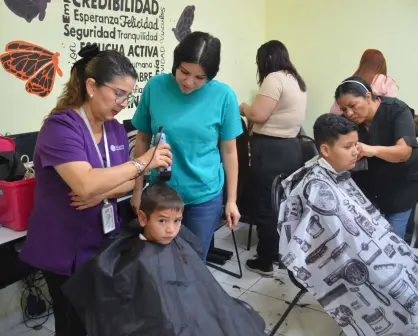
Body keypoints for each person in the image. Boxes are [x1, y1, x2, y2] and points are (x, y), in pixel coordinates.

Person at [19, 44, 172, 336]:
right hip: (64, 247)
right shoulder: (60, 127)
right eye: (118, 93)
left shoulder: (113, 128)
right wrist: (141, 162)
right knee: (74, 322)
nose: (123, 103)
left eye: (128, 96)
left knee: (101, 319)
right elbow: (86, 182)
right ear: (91, 85)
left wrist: (103, 191)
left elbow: (125, 182)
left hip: (102, 242)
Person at [61, 182, 266, 336]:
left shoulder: (179, 243)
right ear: (142, 218)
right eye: (162, 221)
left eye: (177, 221)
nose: (171, 229)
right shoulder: (132, 258)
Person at [278, 114, 418, 336]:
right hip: (348, 259)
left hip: (365, 250)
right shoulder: (316, 186)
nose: (357, 151)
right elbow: (337, 240)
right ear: (325, 150)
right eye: (348, 146)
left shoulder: (333, 173)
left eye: (356, 144)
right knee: (408, 296)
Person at [130, 31, 243, 261]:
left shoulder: (223, 96)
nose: (189, 82)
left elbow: (229, 152)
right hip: (161, 193)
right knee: (159, 261)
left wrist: (231, 200)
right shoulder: (156, 87)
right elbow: (142, 139)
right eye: (184, 72)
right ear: (175, 63)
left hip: (204, 195)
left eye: (200, 77)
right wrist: (136, 189)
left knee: (192, 263)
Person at [239, 40, 307, 276]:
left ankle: (265, 259)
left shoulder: (274, 78)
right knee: (282, 205)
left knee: (266, 204)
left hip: (270, 150)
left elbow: (258, 114)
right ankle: (282, 253)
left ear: (266, 59)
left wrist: (244, 107)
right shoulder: (296, 80)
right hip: (292, 148)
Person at [335, 76, 418, 238]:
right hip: (367, 191)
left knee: (393, 244)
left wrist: (371, 150)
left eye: (353, 106)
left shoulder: (397, 111)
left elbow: (404, 153)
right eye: (344, 109)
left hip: (399, 189)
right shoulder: (347, 122)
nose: (349, 113)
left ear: (367, 97)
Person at [330, 49, 398, 114]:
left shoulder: (352, 82)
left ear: (362, 62)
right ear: (383, 64)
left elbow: (334, 112)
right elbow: (392, 108)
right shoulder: (386, 82)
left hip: (351, 123)